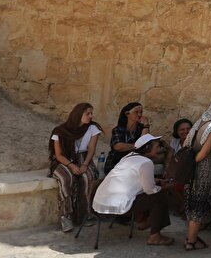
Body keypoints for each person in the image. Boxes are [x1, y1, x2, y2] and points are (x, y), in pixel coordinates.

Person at [92, 133, 173, 245]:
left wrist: (157, 180)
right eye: (157, 146)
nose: (159, 149)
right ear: (147, 148)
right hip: (117, 206)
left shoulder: (128, 157)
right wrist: (165, 187)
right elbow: (150, 190)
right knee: (159, 197)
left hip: (100, 203)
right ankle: (154, 236)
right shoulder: (146, 162)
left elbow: (134, 177)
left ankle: (144, 222)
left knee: (146, 193)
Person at [48, 103, 103, 232]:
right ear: (78, 115)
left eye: (91, 113)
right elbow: (59, 155)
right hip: (64, 160)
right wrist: (72, 166)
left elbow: (91, 150)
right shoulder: (60, 131)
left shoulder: (93, 128)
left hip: (84, 159)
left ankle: (85, 214)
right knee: (66, 179)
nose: (91, 116)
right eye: (87, 114)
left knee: (87, 176)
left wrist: (84, 165)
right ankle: (66, 216)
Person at [182, 98, 211, 251]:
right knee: (199, 206)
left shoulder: (200, 122)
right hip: (203, 171)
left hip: (192, 171)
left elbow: (186, 144)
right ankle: (191, 241)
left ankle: (191, 237)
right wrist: (196, 161)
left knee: (193, 204)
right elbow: (202, 155)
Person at [103, 101, 148, 173]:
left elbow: (144, 143)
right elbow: (118, 146)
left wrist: (146, 125)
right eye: (136, 112)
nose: (139, 114)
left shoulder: (142, 128)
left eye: (141, 112)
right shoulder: (118, 129)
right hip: (117, 162)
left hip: (134, 161)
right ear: (127, 114)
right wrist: (137, 145)